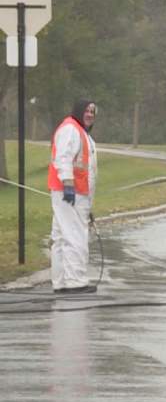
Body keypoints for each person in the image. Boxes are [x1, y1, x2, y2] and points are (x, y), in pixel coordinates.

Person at [48, 99, 98, 294]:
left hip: (73, 193)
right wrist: (68, 183)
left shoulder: (80, 131)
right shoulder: (71, 129)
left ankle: (60, 282)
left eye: (93, 112)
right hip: (71, 193)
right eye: (87, 111)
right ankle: (75, 282)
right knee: (74, 235)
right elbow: (63, 158)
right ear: (78, 111)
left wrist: (88, 205)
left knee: (61, 236)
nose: (90, 114)